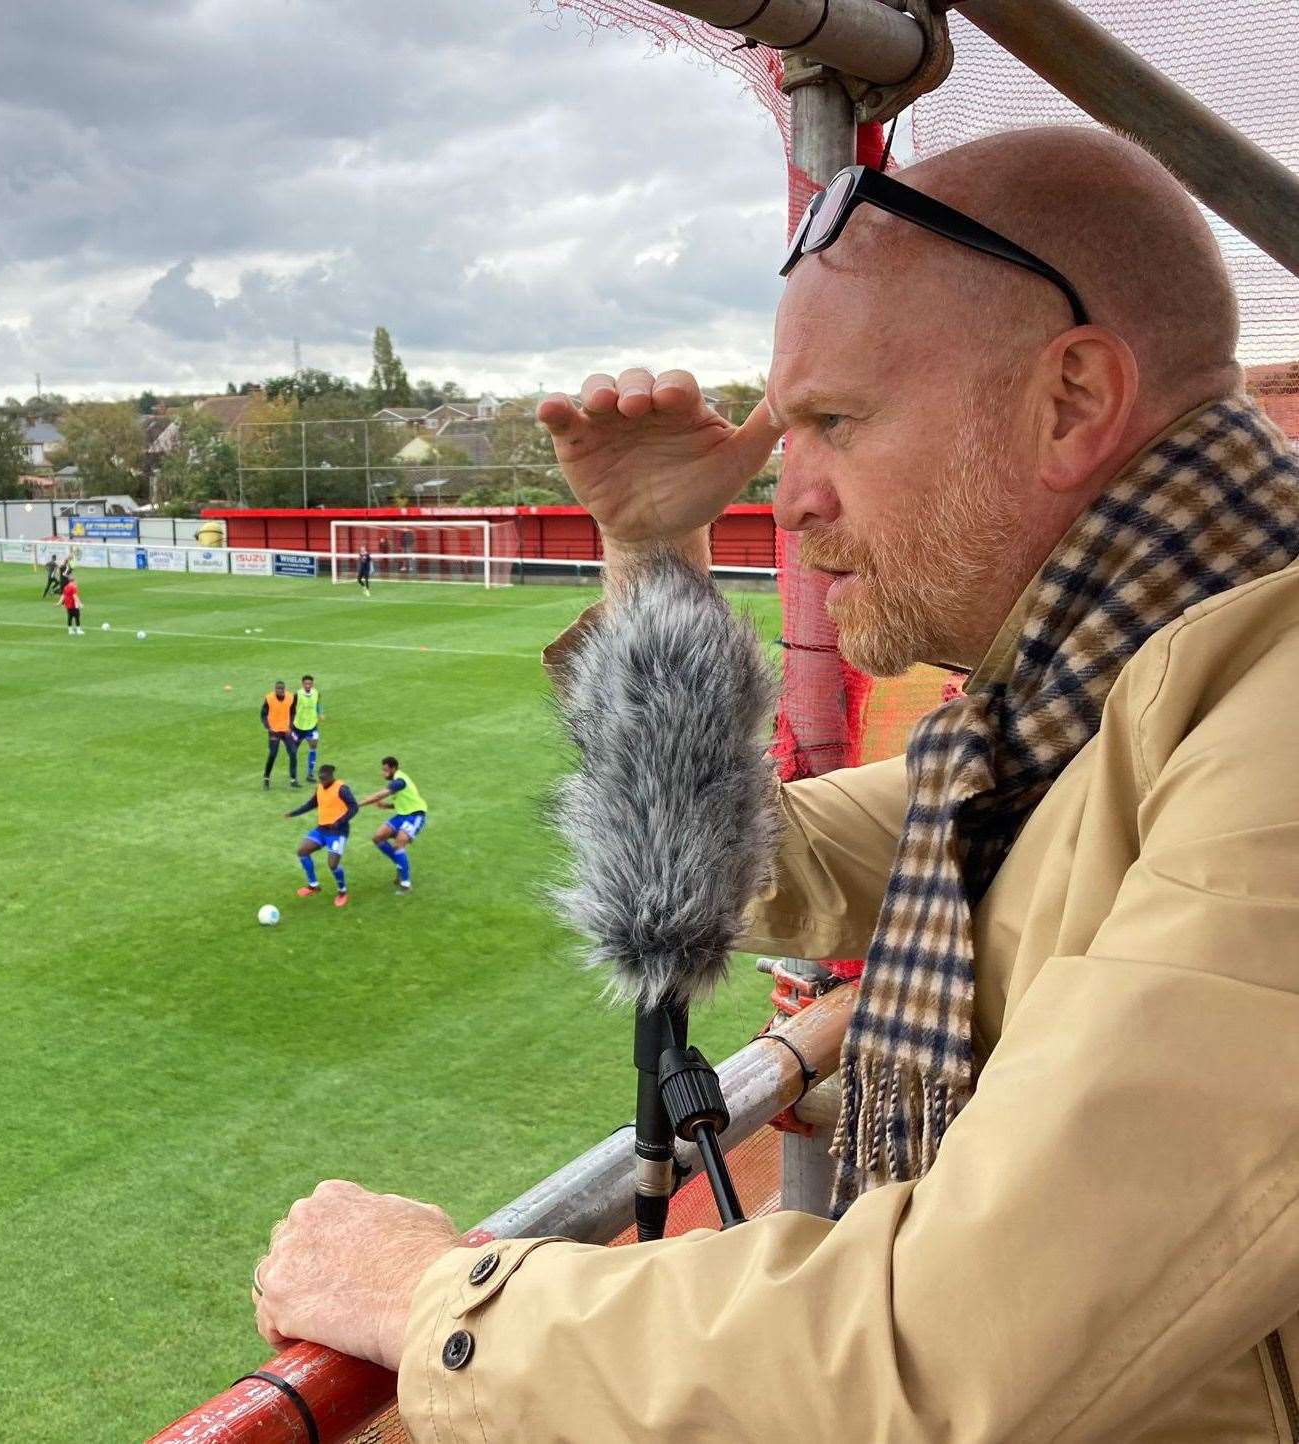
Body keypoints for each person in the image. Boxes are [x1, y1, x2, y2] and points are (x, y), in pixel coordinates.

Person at [251, 127, 1299, 1439]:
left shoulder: (1269, 743)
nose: (789, 498)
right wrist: (648, 548)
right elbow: (733, 863)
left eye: (834, 422)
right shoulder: (1064, 718)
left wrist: (433, 1300)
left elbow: (936, 1351)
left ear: (1072, 401)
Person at [285, 763, 357, 908]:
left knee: (332, 864)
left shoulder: (342, 788)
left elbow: (354, 806)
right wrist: (294, 813)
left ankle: (342, 892)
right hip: (322, 830)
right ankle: (313, 886)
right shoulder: (319, 788)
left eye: (324, 779)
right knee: (302, 851)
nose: (322, 781)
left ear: (331, 776)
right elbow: (311, 804)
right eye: (320, 779)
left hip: (338, 832)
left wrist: (340, 821)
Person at [360, 755, 426, 892]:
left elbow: (380, 795)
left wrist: (358, 804)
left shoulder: (399, 781)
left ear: (393, 768)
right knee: (378, 837)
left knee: (398, 844)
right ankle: (400, 863)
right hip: (402, 815)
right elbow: (403, 801)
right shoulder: (397, 781)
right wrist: (387, 806)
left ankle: (406, 885)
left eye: (385, 770)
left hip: (415, 815)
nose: (383, 773)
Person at [260, 680, 298, 789]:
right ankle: (266, 778)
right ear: (275, 689)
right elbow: (263, 714)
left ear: (284, 689)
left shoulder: (290, 698)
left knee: (293, 752)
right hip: (274, 731)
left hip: (286, 731)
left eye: (282, 688)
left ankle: (293, 779)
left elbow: (293, 712)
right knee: (273, 754)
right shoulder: (269, 698)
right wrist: (268, 727)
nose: (280, 690)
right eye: (278, 688)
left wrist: (291, 726)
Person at [291, 674, 323, 782]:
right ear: (302, 684)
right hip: (298, 727)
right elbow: (291, 708)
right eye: (306, 683)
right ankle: (293, 775)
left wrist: (320, 713)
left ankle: (310, 773)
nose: (308, 685)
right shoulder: (297, 694)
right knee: (293, 750)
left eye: (310, 683)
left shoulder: (316, 693)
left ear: (312, 684)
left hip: (311, 726)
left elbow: (318, 703)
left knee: (313, 746)